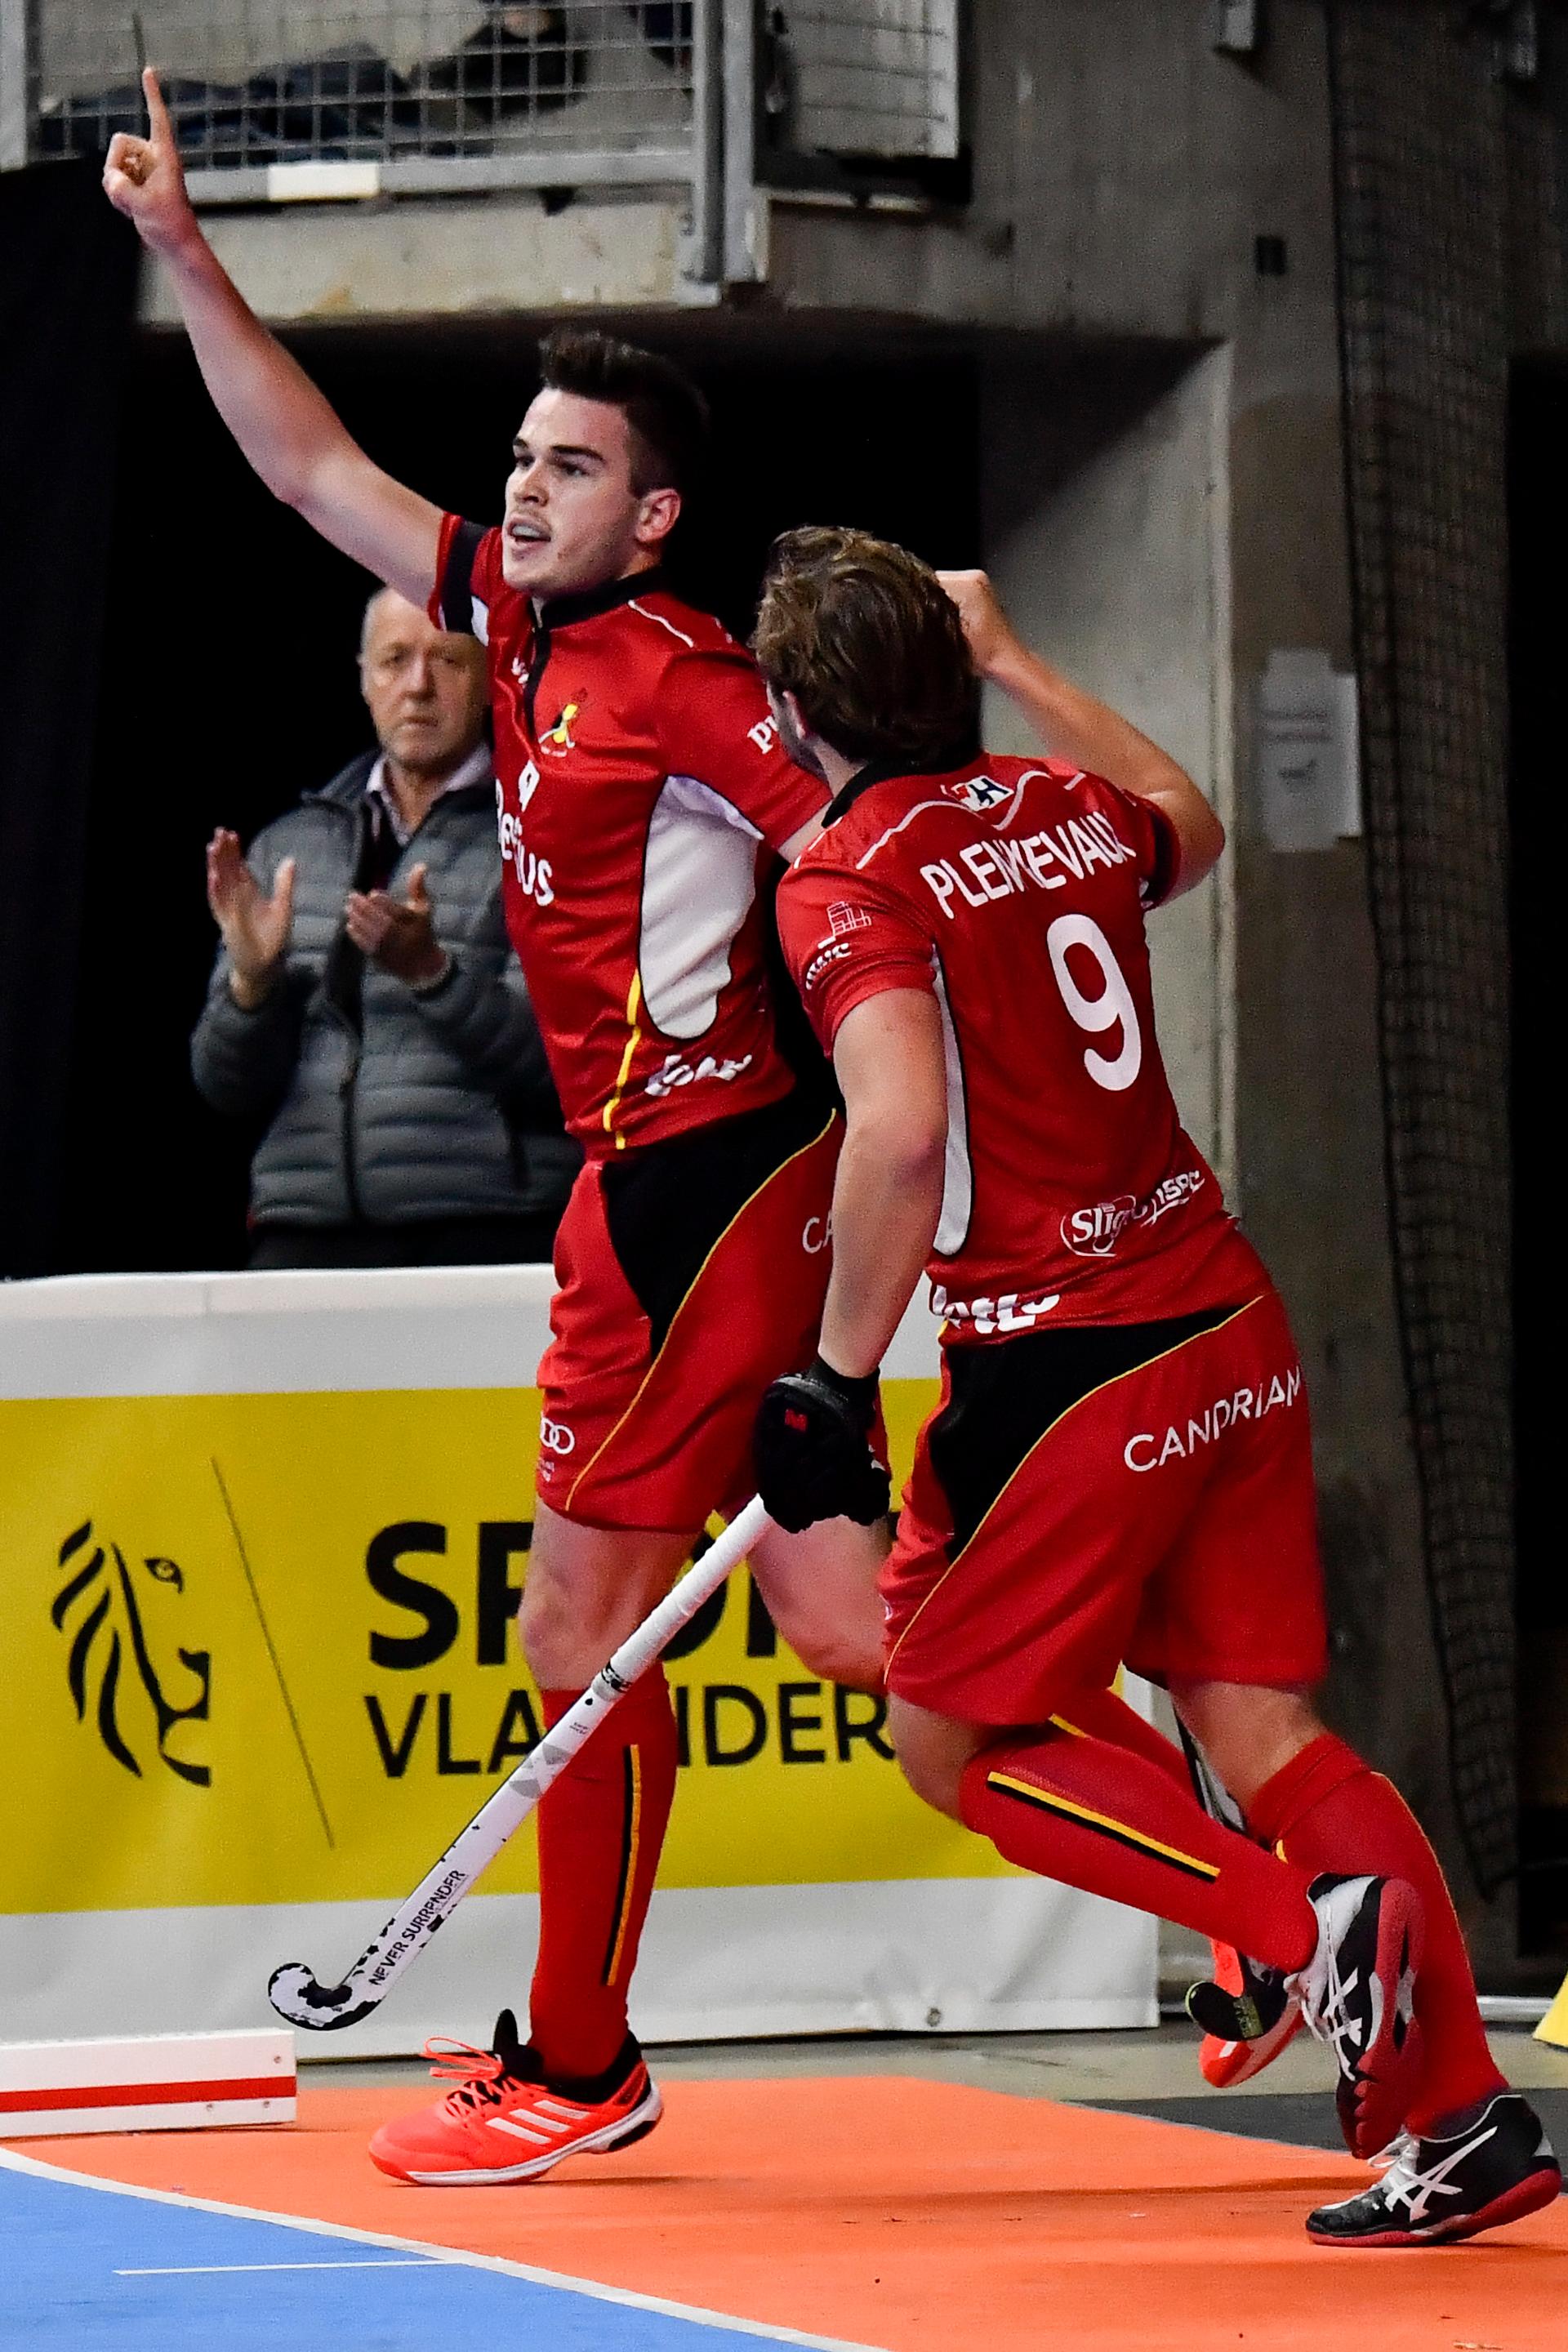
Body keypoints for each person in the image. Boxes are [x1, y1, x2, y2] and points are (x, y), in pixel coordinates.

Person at [105, 71, 901, 2185]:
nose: (525, 488)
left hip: (717, 1189)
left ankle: (575, 2058)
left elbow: (856, 837)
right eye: (524, 456)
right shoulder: (513, 626)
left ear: (650, 517)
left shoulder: (685, 670)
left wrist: (939, 1050)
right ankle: (1272, 1875)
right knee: (856, 1636)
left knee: (575, 1627)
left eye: (575, 467)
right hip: (628, 1193)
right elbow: (304, 464)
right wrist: (188, 250)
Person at [750, 526, 1560, 2249]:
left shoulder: (845, 873)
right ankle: (1465, 2119)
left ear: (792, 709)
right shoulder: (1054, 805)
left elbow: (895, 1131)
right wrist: (1025, 662)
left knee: (949, 1736)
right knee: (1260, 1733)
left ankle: (1286, 1931)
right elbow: (1186, 817)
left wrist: (831, 1376)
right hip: (1223, 1324)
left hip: (1069, 1362)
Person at [193, 589, 575, 1267]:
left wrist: (434, 975)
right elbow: (225, 1088)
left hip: (485, 1229)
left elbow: (570, 1072)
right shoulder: (289, 849)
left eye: (448, 661)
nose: (418, 686)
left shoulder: (541, 840)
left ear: (492, 681)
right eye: (394, 661)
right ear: (364, 679)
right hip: (304, 1233)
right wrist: (253, 984)